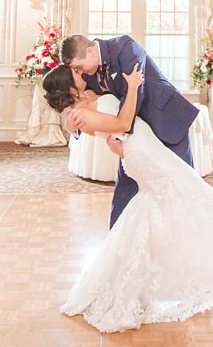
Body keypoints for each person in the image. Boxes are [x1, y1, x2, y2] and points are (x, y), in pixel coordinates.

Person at [42, 63, 213, 333]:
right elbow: (122, 123)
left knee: (155, 207)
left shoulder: (85, 102)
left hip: (142, 150)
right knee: (194, 191)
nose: (81, 74)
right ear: (69, 86)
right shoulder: (80, 114)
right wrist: (133, 86)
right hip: (143, 154)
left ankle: (142, 279)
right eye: (75, 74)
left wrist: (105, 136)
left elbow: (111, 135)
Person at [60, 33, 198, 227]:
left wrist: (116, 136)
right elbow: (87, 102)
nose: (79, 71)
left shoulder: (126, 47)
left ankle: (189, 234)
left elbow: (134, 92)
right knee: (125, 190)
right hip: (135, 136)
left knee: (183, 182)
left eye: (78, 66)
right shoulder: (87, 72)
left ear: (90, 52)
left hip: (166, 120)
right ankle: (117, 244)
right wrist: (72, 127)